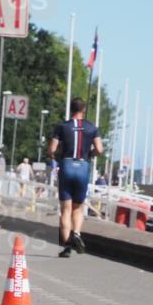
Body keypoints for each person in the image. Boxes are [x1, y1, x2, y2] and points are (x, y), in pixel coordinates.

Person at [47, 97, 104, 258]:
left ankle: (66, 246)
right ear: (83, 110)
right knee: (78, 208)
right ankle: (77, 233)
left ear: (71, 109)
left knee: (65, 209)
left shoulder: (62, 127)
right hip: (83, 166)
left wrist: (57, 156)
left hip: (66, 165)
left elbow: (52, 149)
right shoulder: (92, 127)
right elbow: (100, 149)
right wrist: (90, 154)